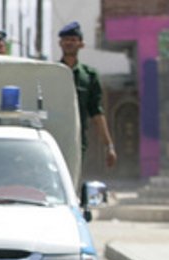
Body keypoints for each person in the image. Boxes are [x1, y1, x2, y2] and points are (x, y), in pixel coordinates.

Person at [58, 21, 118, 168]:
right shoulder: (53, 71)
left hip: (78, 140)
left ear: (81, 44)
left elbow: (96, 112)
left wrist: (109, 146)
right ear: (60, 43)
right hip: (55, 137)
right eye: (66, 40)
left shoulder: (89, 76)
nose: (69, 43)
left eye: (73, 40)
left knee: (74, 177)